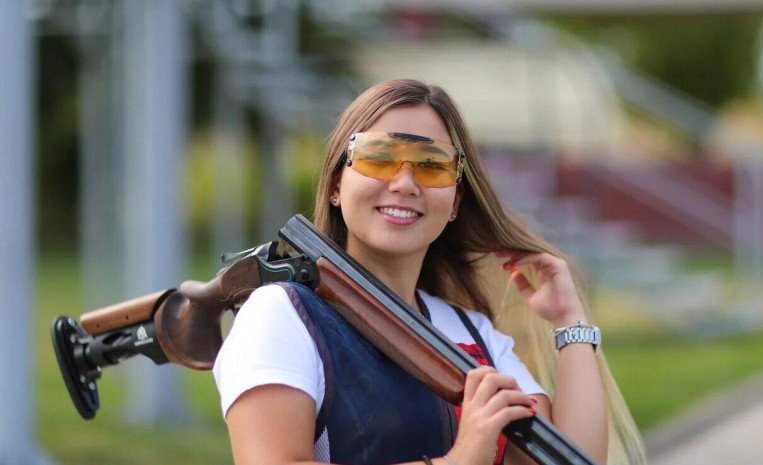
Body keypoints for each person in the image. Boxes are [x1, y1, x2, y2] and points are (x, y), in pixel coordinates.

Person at [213, 79, 646, 465]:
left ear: (455, 201)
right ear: (335, 187)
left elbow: (570, 459)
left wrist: (571, 323)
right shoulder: (282, 314)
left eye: (433, 165)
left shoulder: (473, 332)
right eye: (378, 157)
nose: (405, 183)